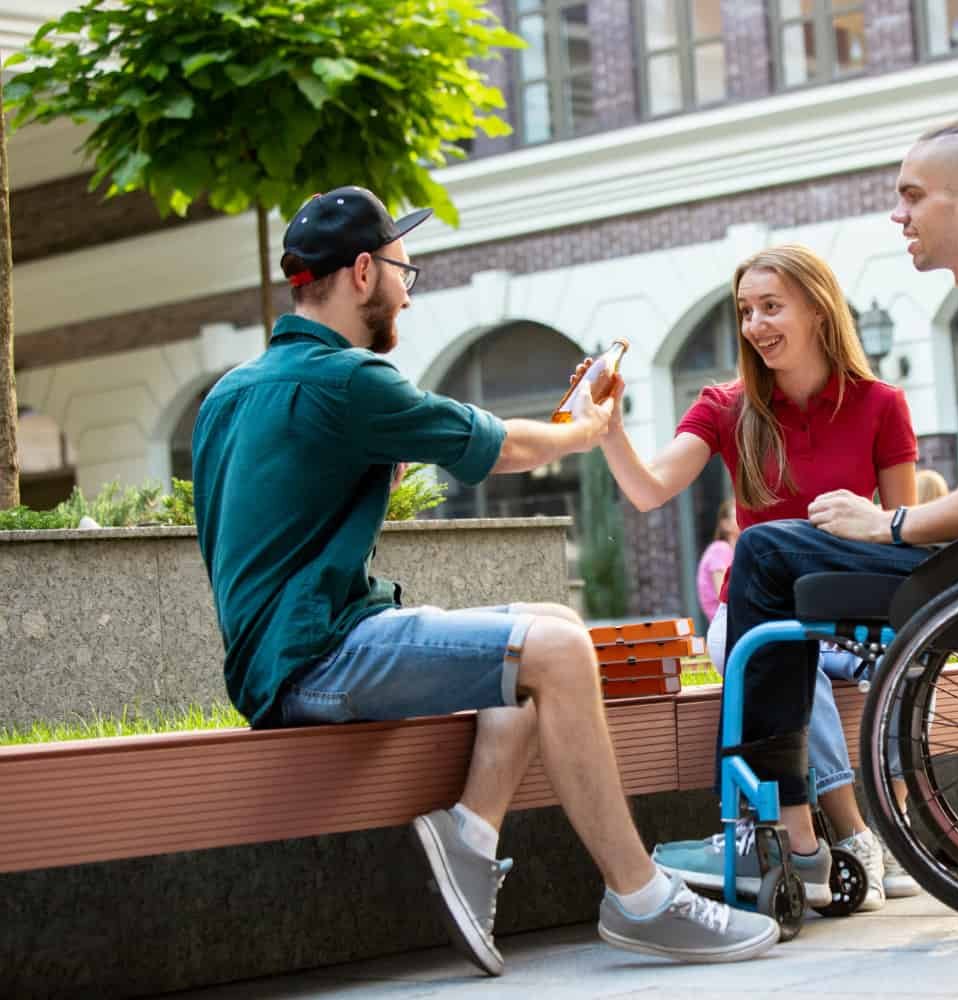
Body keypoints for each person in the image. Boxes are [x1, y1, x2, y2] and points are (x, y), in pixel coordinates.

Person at [191, 186, 778, 977]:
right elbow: (500, 447)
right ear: (363, 272)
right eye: (405, 270)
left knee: (542, 626)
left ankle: (469, 837)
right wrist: (588, 428)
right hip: (317, 659)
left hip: (282, 656)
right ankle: (640, 898)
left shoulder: (231, 392)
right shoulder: (348, 379)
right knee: (560, 650)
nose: (407, 287)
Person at [678, 99, 958, 868]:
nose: (898, 215)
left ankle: (780, 838)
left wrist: (889, 524)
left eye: (912, 195)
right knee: (783, 552)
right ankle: (796, 834)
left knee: (764, 556)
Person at [596, 244, 918, 910]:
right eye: (746, 311)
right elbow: (651, 490)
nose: (755, 326)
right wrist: (609, 429)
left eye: (772, 307)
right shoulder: (725, 406)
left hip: (850, 613)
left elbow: (901, 536)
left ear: (819, 311)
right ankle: (842, 837)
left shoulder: (881, 404)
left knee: (785, 648)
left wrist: (871, 520)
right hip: (761, 618)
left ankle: (795, 838)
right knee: (772, 647)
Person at [696, 499, 738, 621]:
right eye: (737, 515)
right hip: (726, 626)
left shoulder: (732, 551)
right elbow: (723, 594)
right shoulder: (720, 549)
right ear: (725, 525)